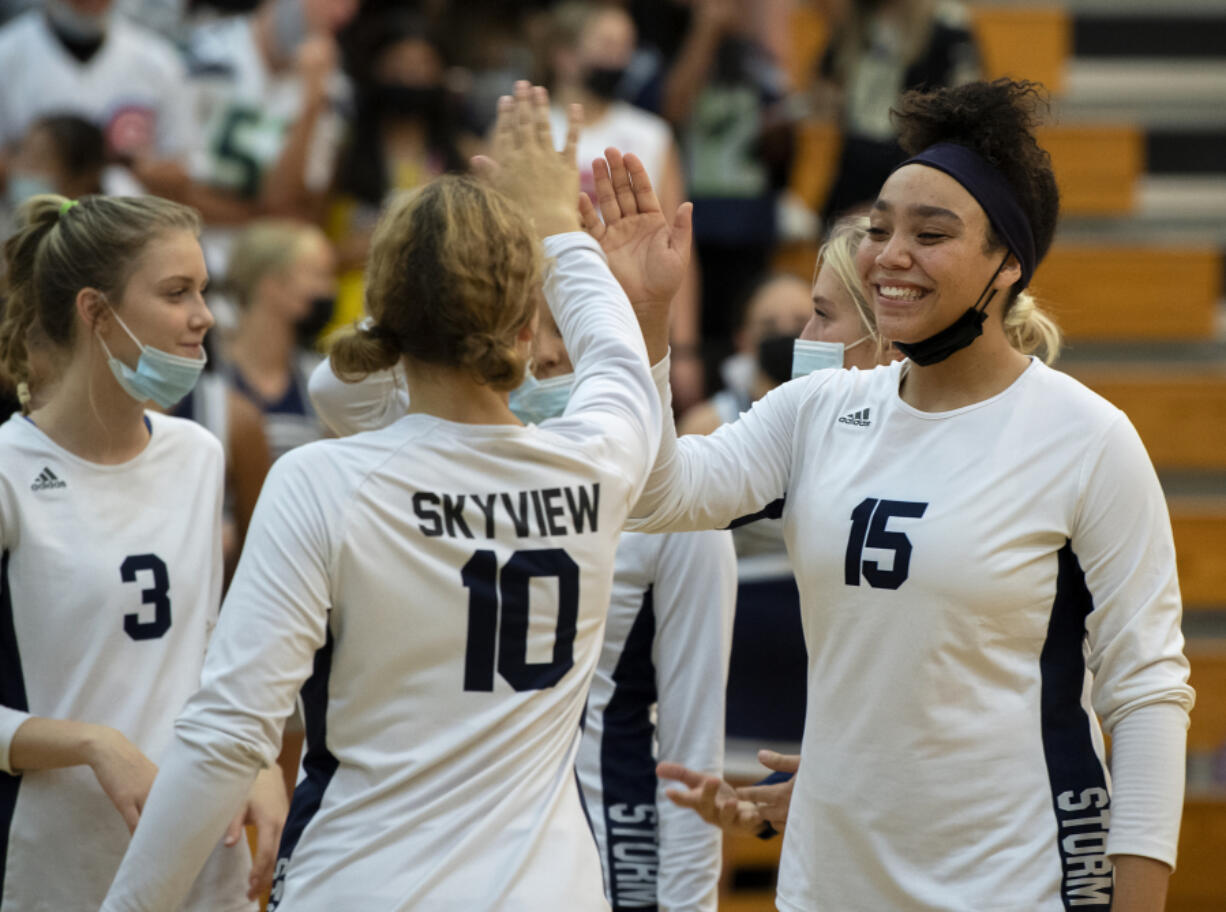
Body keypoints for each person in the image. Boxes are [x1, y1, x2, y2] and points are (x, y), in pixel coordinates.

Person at [99, 83, 680, 911]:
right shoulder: (598, 460)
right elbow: (619, 356)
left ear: (384, 315)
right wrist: (557, 228)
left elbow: (229, 735)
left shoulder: (323, 481)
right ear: (526, 325)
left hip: (364, 883)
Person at [632, 78, 1193, 910]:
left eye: (931, 234)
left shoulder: (1087, 437)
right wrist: (647, 320)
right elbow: (655, 493)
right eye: (881, 229)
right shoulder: (819, 410)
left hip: (1016, 884)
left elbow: (1147, 690)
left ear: (1007, 265)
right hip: (830, 887)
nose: (890, 255)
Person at [306, 154, 737, 910]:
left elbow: (695, 742)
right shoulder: (466, 462)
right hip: (464, 842)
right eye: (534, 355)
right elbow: (336, 389)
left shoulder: (669, 510)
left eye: (567, 354)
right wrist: (496, 252)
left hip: (610, 827)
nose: (547, 367)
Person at [0, 193, 286, 911]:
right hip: (54, 868)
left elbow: (214, 645)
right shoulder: (7, 472)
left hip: (200, 859)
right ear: (95, 311)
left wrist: (254, 756)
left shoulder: (197, 455)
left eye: (204, 290)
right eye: (176, 292)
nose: (205, 317)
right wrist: (96, 744)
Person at [547, 0, 704, 412]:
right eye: (606, 44)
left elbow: (678, 245)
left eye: (626, 46)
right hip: (546, 324)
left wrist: (683, 348)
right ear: (565, 54)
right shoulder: (531, 126)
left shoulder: (651, 134)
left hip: (630, 320)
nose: (619, 57)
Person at [324, 12, 467, 335]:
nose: (411, 76)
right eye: (399, 63)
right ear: (376, 69)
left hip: (433, 325)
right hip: (348, 324)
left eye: (423, 65)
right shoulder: (342, 153)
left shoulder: (463, 157)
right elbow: (315, 251)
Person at [223, 218, 335, 462]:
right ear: (271, 285)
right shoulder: (209, 377)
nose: (329, 291)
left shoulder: (321, 380)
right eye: (319, 276)